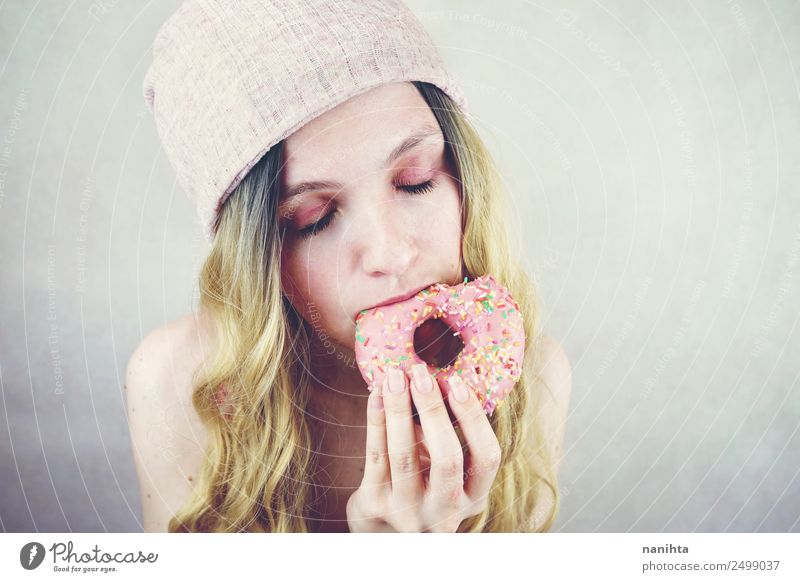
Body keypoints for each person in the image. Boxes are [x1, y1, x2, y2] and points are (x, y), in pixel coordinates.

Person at [126, 0, 572, 533]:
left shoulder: (533, 380)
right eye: (314, 219)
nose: (390, 252)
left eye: (416, 181)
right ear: (260, 259)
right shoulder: (187, 386)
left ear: (461, 179)